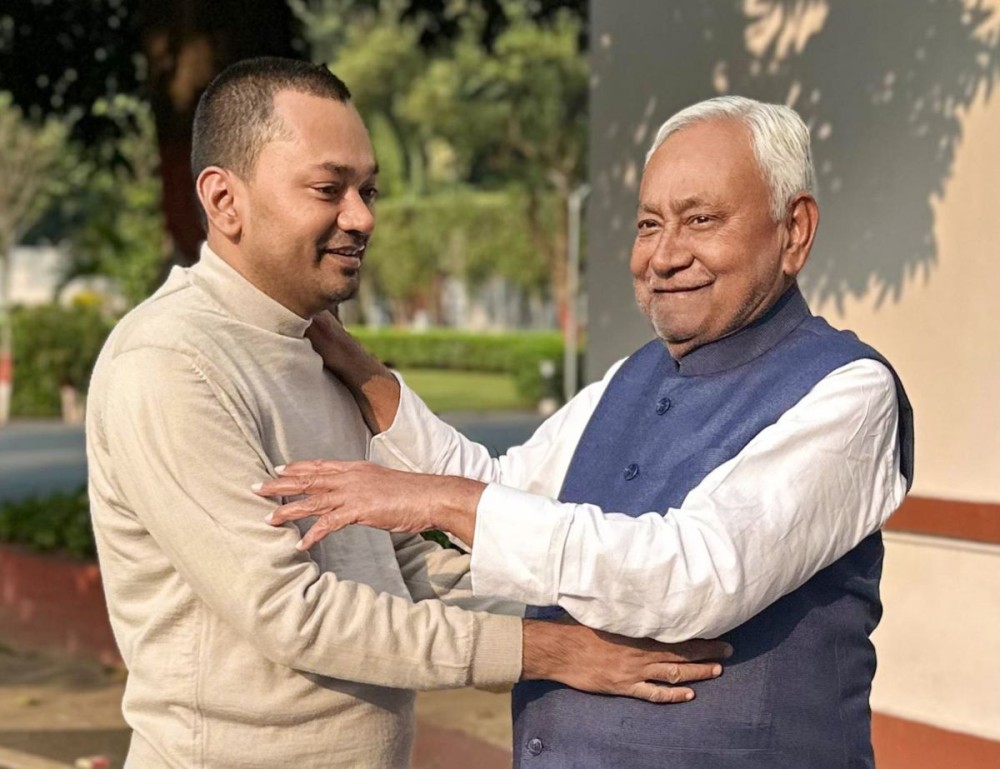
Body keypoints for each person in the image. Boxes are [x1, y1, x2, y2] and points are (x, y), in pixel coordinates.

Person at [85, 58, 730, 769]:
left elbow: (400, 565)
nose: (361, 218)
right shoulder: (171, 362)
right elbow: (293, 611)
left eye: (368, 191)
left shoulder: (317, 346)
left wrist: (596, 616)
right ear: (224, 199)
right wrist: (548, 650)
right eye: (329, 189)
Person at [257, 95, 914, 768]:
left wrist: (439, 499)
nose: (664, 256)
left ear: (794, 231)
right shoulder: (634, 375)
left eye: (700, 220)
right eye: (649, 224)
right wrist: (361, 370)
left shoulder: (848, 391)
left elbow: (695, 576)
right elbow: (503, 486)